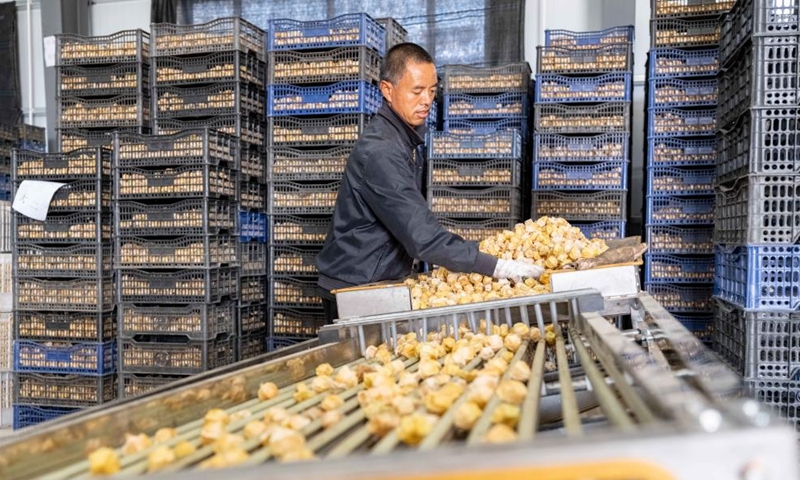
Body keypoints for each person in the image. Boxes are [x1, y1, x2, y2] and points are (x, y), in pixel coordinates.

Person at [315, 42, 542, 322]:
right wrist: (497, 266)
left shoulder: (403, 140)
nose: (427, 100)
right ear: (388, 90)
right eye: (417, 91)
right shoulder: (382, 152)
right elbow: (420, 237)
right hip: (354, 288)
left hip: (372, 278)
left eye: (432, 91)